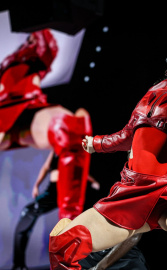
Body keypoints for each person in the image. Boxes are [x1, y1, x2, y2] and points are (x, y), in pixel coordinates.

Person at [48, 38, 167, 270]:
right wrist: (97, 144)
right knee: (63, 246)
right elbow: (130, 133)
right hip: (131, 191)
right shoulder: (156, 89)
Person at [0, 29, 92, 220]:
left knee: (71, 128)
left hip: (28, 105)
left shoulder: (36, 50)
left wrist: (37, 25)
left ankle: (69, 227)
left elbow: (49, 47)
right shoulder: (11, 58)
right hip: (4, 111)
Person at [11, 148, 100, 270]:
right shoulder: (56, 149)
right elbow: (46, 167)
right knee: (27, 212)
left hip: (70, 190)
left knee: (79, 224)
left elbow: (82, 169)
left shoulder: (76, 148)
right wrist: (36, 185)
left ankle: (83, 263)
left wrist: (93, 181)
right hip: (53, 191)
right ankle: (18, 265)